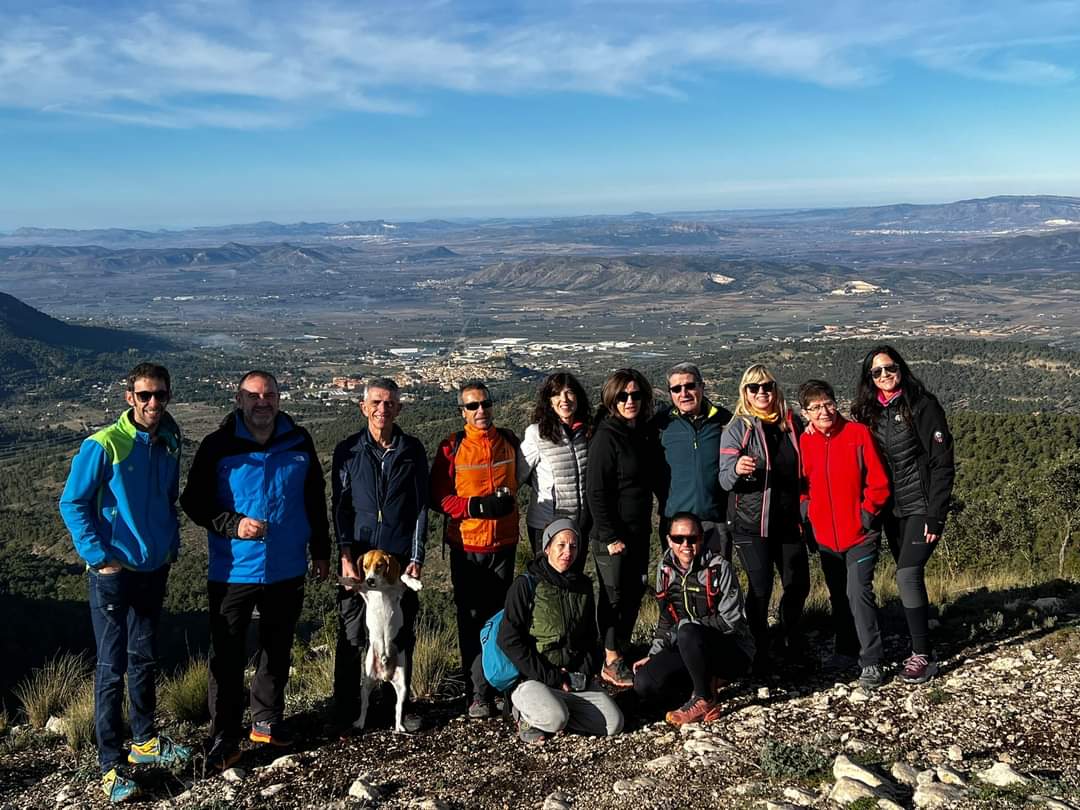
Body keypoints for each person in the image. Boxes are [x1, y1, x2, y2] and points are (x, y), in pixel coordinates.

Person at [180, 370, 330, 769]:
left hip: (287, 566)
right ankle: (223, 737)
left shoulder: (298, 440)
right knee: (227, 656)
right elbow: (193, 500)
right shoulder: (218, 445)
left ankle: (266, 720)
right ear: (238, 399)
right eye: (254, 396)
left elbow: (315, 496)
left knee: (277, 648)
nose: (262, 402)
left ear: (279, 398)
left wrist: (321, 550)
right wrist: (233, 524)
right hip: (234, 570)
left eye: (269, 395)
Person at [59, 363, 191, 803]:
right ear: (129, 397)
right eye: (145, 395)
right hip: (114, 574)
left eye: (160, 395)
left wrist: (169, 545)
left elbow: (167, 499)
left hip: (154, 567)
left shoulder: (169, 442)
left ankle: (145, 741)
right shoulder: (104, 444)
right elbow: (73, 502)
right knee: (111, 668)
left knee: (144, 659)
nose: (153, 403)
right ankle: (110, 765)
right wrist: (100, 559)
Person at [851, 346, 955, 684]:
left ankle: (922, 655)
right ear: (870, 378)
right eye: (877, 372)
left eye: (889, 368)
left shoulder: (922, 406)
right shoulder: (869, 412)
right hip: (890, 510)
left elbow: (942, 464)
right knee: (905, 573)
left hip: (921, 507)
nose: (884, 375)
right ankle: (918, 636)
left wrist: (936, 516)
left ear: (901, 368)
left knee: (907, 573)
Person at [331, 377, 428, 733]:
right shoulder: (348, 450)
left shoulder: (411, 450)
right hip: (360, 559)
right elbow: (339, 506)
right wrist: (344, 553)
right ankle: (346, 710)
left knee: (401, 633)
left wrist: (416, 556)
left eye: (389, 403)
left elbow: (420, 507)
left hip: (397, 562)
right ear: (363, 407)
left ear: (399, 408)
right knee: (353, 633)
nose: (382, 409)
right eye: (375, 402)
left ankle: (399, 708)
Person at [430, 379, 526, 718]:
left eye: (485, 403)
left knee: (501, 619)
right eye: (472, 406)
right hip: (467, 546)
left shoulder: (509, 441)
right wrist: (476, 508)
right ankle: (476, 692)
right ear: (462, 412)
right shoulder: (452, 448)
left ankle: (500, 684)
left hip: (504, 543)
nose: (480, 410)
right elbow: (438, 498)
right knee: (471, 620)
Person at [798, 379, 891, 690]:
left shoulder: (857, 434)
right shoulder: (805, 441)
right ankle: (845, 649)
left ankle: (872, 661)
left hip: (860, 534)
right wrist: (806, 513)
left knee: (858, 592)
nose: (824, 411)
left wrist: (866, 515)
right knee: (838, 594)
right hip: (825, 536)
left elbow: (878, 481)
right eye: (816, 407)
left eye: (828, 403)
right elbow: (802, 486)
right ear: (805, 412)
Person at [498, 518, 624, 745]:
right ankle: (524, 712)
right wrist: (551, 676)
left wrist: (582, 672)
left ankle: (557, 712)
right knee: (556, 718)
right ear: (547, 548)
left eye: (573, 546)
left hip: (572, 679)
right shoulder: (526, 585)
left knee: (613, 723)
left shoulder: (583, 587)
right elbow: (508, 639)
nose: (568, 552)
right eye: (561, 545)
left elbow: (590, 636)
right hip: (534, 677)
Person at [717, 364, 809, 673]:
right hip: (752, 524)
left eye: (766, 386)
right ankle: (757, 652)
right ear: (744, 392)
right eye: (753, 388)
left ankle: (792, 641)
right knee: (760, 590)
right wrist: (737, 469)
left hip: (789, 522)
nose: (761, 393)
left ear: (775, 388)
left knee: (798, 585)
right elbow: (724, 477)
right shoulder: (738, 427)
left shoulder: (790, 423)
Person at [632, 512, 754, 727]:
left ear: (701, 539)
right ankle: (704, 681)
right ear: (669, 540)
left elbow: (731, 621)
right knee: (644, 683)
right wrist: (654, 653)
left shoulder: (718, 568)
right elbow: (666, 616)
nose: (685, 545)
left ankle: (704, 698)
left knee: (688, 631)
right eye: (679, 539)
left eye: (692, 538)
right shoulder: (665, 569)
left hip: (731, 651)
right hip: (687, 645)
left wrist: (687, 627)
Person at [586, 367, 661, 689]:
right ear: (611, 398)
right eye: (622, 395)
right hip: (614, 537)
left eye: (635, 395)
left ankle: (622, 651)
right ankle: (611, 658)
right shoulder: (606, 436)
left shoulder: (639, 432)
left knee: (633, 592)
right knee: (614, 596)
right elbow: (596, 491)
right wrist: (611, 535)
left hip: (638, 531)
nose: (630, 400)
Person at [654, 362, 732, 558]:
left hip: (714, 521)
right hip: (675, 522)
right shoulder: (661, 424)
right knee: (676, 584)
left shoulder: (724, 420)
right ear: (670, 393)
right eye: (676, 389)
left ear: (701, 387)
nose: (684, 393)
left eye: (690, 386)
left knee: (717, 582)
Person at [520, 372, 591, 569]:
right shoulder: (536, 434)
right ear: (549, 401)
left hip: (579, 525)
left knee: (574, 581)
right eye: (557, 394)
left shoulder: (586, 432)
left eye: (569, 393)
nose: (564, 400)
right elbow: (519, 475)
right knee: (547, 585)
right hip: (545, 525)